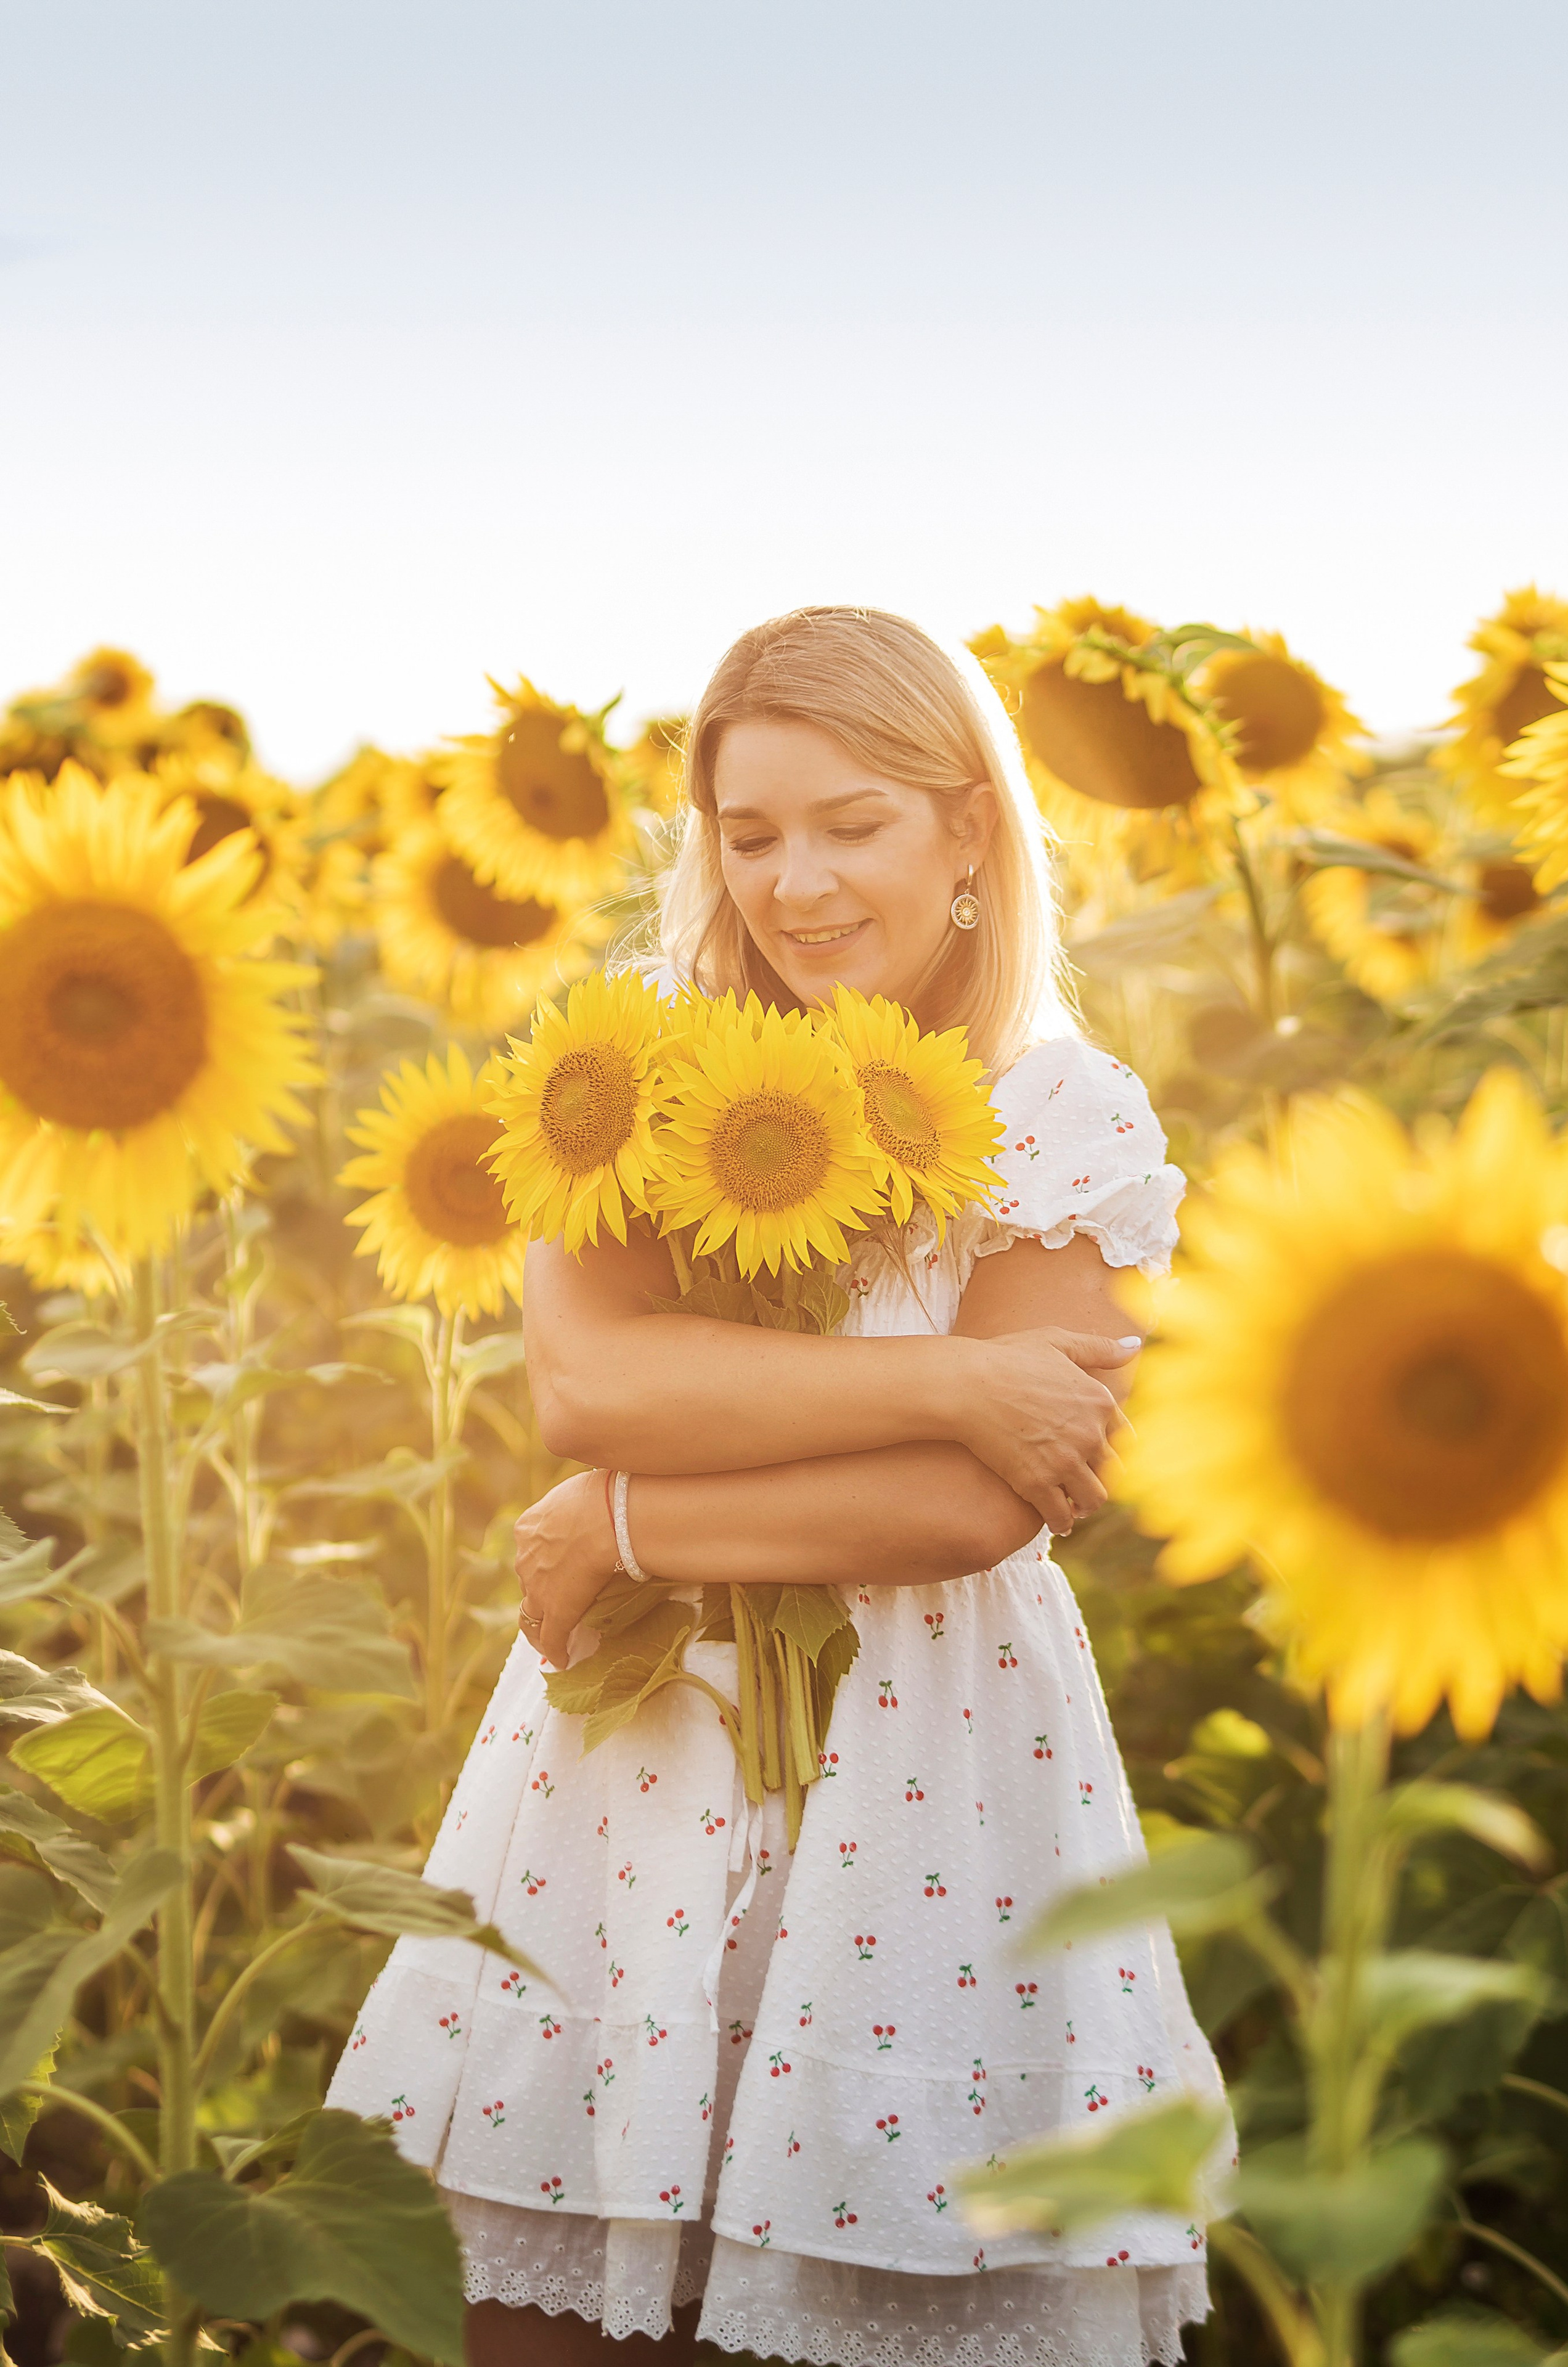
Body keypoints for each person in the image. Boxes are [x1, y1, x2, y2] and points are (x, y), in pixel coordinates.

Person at [326, 607, 1228, 2367]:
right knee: (555, 2296)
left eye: (850, 825)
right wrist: (955, 1379)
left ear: (968, 831)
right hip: (639, 1770)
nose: (794, 885)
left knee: (869, 2264)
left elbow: (977, 1513)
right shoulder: (643, 1069)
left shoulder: (1061, 1110)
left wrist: (633, 1524)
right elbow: (593, 1384)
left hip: (935, 1776)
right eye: (750, 837)